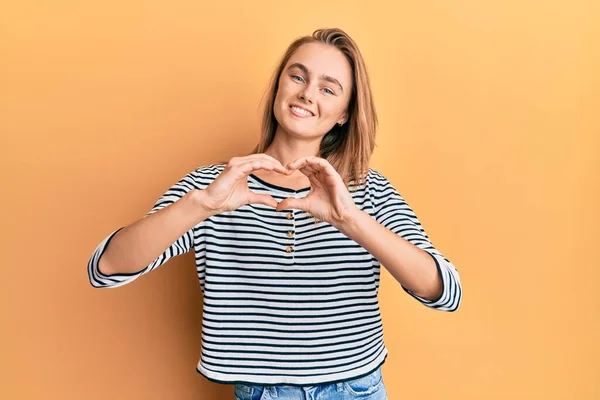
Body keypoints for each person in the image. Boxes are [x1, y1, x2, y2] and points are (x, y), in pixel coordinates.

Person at [88, 27, 462, 400]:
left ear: (344, 113)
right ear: (279, 88)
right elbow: (106, 267)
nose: (306, 93)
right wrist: (201, 205)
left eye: (328, 88)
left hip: (356, 390)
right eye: (298, 76)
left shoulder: (370, 190)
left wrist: (350, 220)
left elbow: (444, 290)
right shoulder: (216, 186)